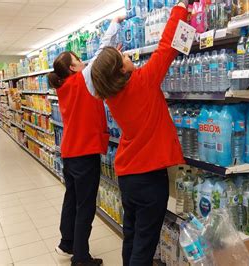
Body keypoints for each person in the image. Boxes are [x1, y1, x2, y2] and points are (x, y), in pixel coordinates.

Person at [83, 2, 192, 265]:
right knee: (145, 245)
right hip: (148, 179)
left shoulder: (109, 95)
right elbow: (166, 47)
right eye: (124, 58)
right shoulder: (143, 82)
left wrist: (111, 61)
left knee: (131, 236)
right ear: (120, 70)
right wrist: (180, 7)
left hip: (128, 176)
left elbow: (95, 76)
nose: (128, 56)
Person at [47, 52, 109, 265]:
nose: (83, 61)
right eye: (78, 59)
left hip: (70, 152)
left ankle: (67, 244)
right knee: (85, 205)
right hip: (84, 153)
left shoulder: (63, 86)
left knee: (72, 199)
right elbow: (101, 53)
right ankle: (81, 257)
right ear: (73, 67)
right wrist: (114, 25)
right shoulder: (83, 79)